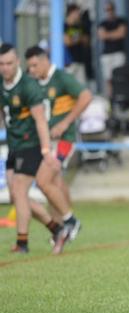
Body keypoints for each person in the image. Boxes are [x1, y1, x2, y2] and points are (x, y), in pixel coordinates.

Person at [0, 43, 69, 254]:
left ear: (17, 62)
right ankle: (57, 229)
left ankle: (22, 243)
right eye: (1, 64)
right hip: (14, 145)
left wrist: (46, 151)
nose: (5, 68)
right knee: (16, 197)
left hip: (31, 145)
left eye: (9, 63)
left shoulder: (28, 86)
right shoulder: (2, 84)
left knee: (20, 191)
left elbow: (40, 121)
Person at [25, 45, 89, 240]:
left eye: (35, 65)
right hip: (47, 141)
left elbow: (86, 96)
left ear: (45, 60)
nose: (32, 70)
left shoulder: (61, 78)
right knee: (55, 183)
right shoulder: (36, 83)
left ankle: (69, 222)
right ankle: (63, 229)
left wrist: (65, 122)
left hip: (64, 141)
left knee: (44, 181)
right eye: (30, 67)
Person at [98, 1, 127, 95]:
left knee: (119, 77)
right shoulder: (103, 23)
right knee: (108, 78)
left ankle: (119, 97)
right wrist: (115, 33)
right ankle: (110, 99)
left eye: (111, 9)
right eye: (107, 10)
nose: (109, 12)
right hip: (107, 54)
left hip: (118, 53)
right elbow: (102, 36)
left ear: (114, 10)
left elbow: (121, 33)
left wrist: (108, 34)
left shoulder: (121, 21)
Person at [63, 4, 91, 86]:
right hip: (69, 63)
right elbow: (68, 42)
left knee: (82, 87)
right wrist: (79, 38)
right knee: (69, 87)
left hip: (80, 61)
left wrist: (74, 39)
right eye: (77, 12)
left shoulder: (80, 26)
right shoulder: (64, 26)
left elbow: (86, 41)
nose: (79, 15)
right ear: (71, 13)